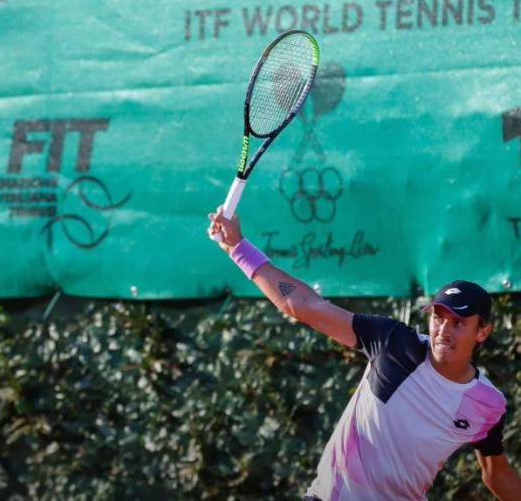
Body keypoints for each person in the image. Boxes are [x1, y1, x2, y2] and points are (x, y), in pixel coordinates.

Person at [207, 208, 521, 500]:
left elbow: (496, 474)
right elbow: (304, 305)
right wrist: (238, 248)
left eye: (458, 323)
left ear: (482, 332)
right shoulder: (394, 343)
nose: (444, 330)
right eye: (438, 318)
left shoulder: (488, 405)